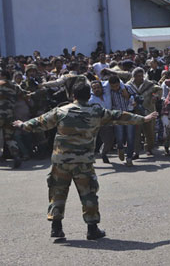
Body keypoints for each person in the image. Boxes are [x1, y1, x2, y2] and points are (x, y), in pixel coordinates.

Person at [13, 83, 158, 240]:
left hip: (61, 160)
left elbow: (40, 123)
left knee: (57, 192)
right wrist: (143, 119)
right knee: (88, 193)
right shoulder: (96, 112)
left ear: (73, 96)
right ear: (89, 96)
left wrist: (22, 125)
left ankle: (56, 227)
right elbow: (118, 116)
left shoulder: (61, 111)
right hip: (83, 162)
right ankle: (92, 229)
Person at [127, 67, 162, 156]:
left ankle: (149, 148)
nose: (141, 78)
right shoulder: (128, 85)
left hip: (148, 110)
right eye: (138, 76)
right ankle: (136, 151)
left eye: (142, 76)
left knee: (150, 131)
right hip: (135, 111)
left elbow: (158, 89)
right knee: (136, 132)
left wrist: (156, 96)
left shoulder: (149, 84)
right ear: (134, 76)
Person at [0, 70, 23, 168]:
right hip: (9, 115)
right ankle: (16, 155)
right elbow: (23, 94)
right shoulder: (15, 86)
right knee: (9, 137)